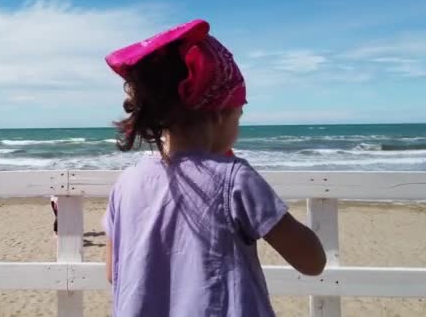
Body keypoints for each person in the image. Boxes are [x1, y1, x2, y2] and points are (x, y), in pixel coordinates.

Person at [102, 19, 326, 316]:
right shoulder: (235, 179)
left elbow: (112, 272)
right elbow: (311, 261)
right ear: (221, 114)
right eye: (239, 116)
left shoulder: (127, 182)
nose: (238, 126)